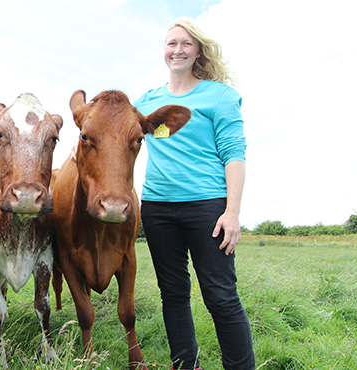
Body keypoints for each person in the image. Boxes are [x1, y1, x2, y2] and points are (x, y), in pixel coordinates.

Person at [134, 18, 255, 370]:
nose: (178, 50)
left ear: (198, 50)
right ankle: (185, 365)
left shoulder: (219, 96)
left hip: (207, 207)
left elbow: (234, 154)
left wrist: (231, 212)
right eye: (172, 44)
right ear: (164, 50)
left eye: (186, 44)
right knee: (172, 295)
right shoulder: (148, 103)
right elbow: (116, 134)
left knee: (220, 296)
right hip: (157, 209)